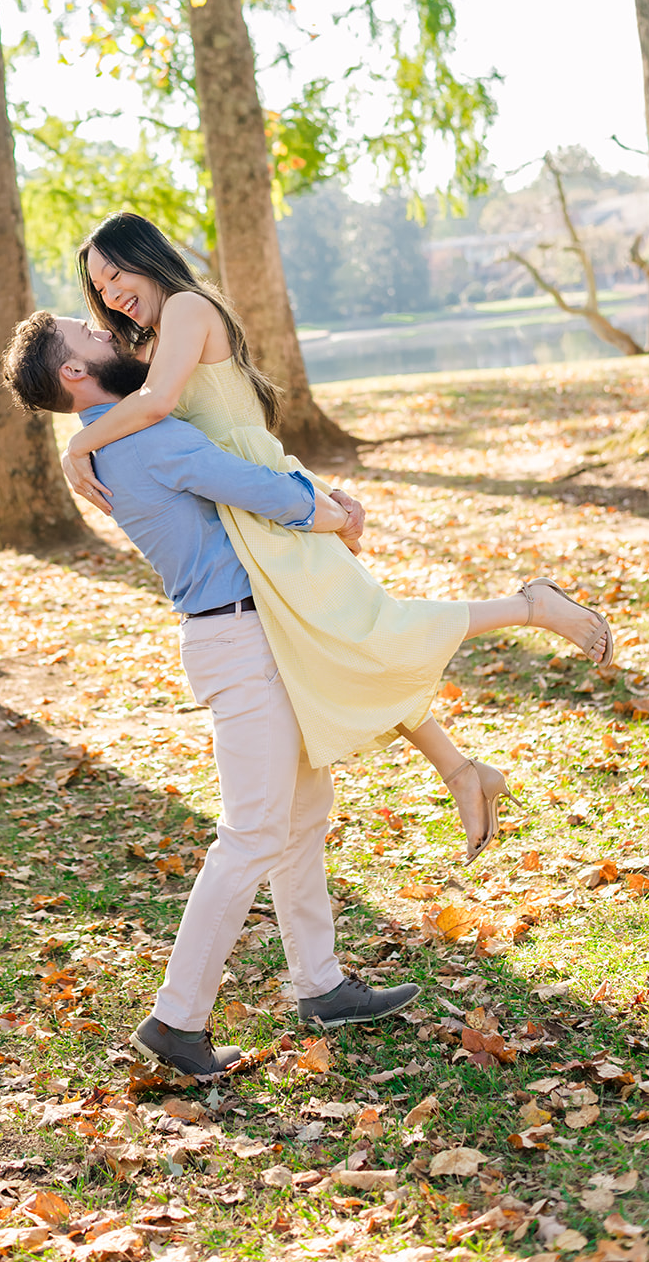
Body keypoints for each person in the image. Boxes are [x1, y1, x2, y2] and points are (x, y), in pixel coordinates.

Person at [60, 212, 613, 865]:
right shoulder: (153, 336)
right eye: (99, 288)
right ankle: (460, 769)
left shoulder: (184, 307)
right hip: (251, 508)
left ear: (145, 257)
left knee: (365, 631)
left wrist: (78, 445)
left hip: (266, 503)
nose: (111, 292)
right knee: (334, 648)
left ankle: (532, 607)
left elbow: (158, 409)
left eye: (116, 272)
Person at [3, 311, 422, 1077]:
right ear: (73, 373)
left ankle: (320, 983)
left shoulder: (112, 437)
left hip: (248, 633)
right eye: (88, 335)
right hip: (238, 642)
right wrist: (332, 514)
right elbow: (254, 486)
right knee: (253, 834)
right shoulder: (141, 436)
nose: (109, 333)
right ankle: (175, 1020)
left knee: (301, 815)